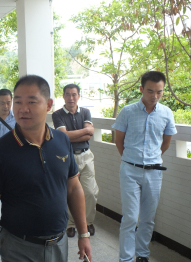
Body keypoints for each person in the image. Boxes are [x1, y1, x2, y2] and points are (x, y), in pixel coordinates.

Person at [0, 75, 92, 262]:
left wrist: (83, 234)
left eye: (32, 101)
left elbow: (74, 188)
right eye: (18, 102)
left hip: (59, 243)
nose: (23, 109)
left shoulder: (62, 140)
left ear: (48, 104)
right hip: (18, 247)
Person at [112, 71, 177, 262]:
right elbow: (119, 141)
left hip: (155, 172)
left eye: (159, 92)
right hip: (130, 170)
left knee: (148, 218)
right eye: (150, 91)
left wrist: (151, 159)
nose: (154, 96)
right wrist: (132, 160)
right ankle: (125, 258)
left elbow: (165, 142)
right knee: (131, 217)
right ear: (141, 89)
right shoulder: (127, 111)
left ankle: (142, 255)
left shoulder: (166, 113)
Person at [52, 84, 99, 238]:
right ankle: (70, 224)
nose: (71, 98)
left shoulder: (85, 112)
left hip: (86, 155)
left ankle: (87, 222)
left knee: (90, 192)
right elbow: (64, 136)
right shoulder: (57, 114)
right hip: (67, 157)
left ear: (79, 95)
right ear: (63, 96)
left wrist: (75, 134)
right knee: (69, 191)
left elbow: (88, 135)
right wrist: (85, 131)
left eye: (74, 94)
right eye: (67, 94)